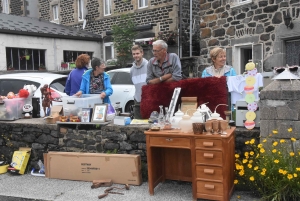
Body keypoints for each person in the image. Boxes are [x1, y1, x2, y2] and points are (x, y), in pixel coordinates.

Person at [130, 45, 148, 119]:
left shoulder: (149, 65)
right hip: (137, 101)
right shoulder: (132, 70)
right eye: (134, 54)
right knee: (137, 123)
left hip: (148, 99)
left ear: (142, 53)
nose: (135, 55)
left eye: (137, 53)